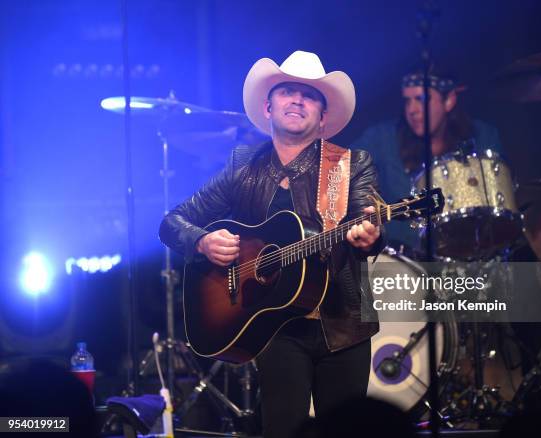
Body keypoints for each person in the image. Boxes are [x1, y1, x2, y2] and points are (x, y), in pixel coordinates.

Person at [159, 50, 385, 438]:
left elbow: (367, 215)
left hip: (344, 323)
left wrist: (369, 237)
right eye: (287, 91)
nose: (297, 99)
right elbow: (171, 222)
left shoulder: (353, 163)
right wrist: (202, 242)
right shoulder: (243, 167)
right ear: (268, 106)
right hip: (275, 326)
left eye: (310, 95)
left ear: (323, 116)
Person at [353, 67, 502, 251]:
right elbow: (342, 168)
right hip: (400, 258)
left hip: (470, 251)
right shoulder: (382, 137)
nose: (412, 110)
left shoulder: (482, 136)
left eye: (421, 99)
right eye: (407, 101)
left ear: (448, 101)